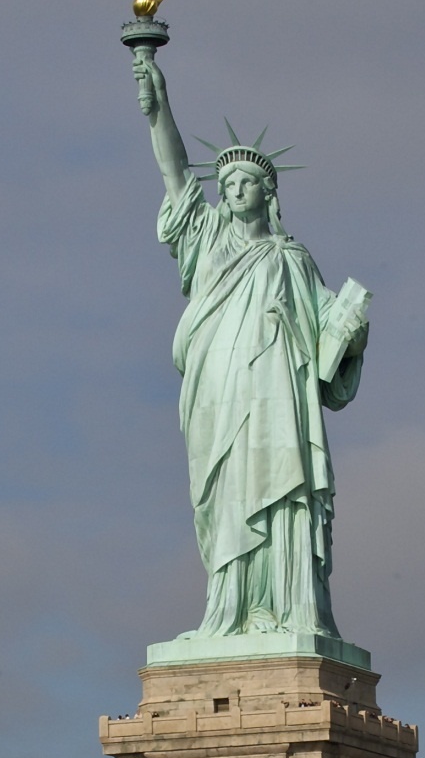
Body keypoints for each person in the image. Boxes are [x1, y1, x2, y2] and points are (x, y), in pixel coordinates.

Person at [130, 46, 368, 644]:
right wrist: (159, 109)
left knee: (280, 485)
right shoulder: (206, 237)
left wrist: (350, 331)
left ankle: (288, 610)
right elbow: (175, 173)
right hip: (217, 388)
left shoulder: (292, 258)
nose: (234, 190)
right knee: (227, 491)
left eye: (246, 182)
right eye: (228, 182)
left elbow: (324, 351)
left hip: (276, 396)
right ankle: (230, 610)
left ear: (268, 193)